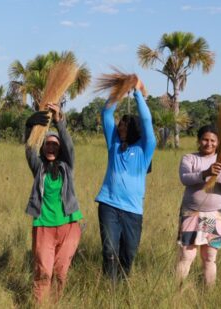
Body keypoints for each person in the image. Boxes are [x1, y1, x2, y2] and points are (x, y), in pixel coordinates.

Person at [95, 79, 156, 282]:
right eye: (119, 126)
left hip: (133, 211)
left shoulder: (144, 149)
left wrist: (138, 92)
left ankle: (122, 286)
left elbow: (147, 122)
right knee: (109, 251)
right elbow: (106, 114)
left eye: (124, 127)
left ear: (134, 130)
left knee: (128, 255)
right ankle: (109, 289)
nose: (120, 129)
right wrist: (120, 90)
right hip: (109, 205)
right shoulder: (113, 145)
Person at [24, 103, 83, 303]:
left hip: (69, 227)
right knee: (43, 272)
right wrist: (29, 126)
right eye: (47, 144)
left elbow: (70, 147)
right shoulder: (39, 168)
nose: (51, 147)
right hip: (44, 227)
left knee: (60, 273)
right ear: (43, 147)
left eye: (54, 145)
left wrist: (59, 122)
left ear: (59, 149)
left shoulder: (67, 167)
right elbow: (30, 149)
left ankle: (56, 303)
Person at [175, 125, 221, 287]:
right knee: (186, 256)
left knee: (209, 257)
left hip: (214, 215)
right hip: (192, 214)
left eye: (212, 140)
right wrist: (206, 173)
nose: (208, 143)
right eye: (205, 139)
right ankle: (177, 293)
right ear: (198, 140)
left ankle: (208, 294)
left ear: (218, 142)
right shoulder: (189, 158)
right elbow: (185, 179)